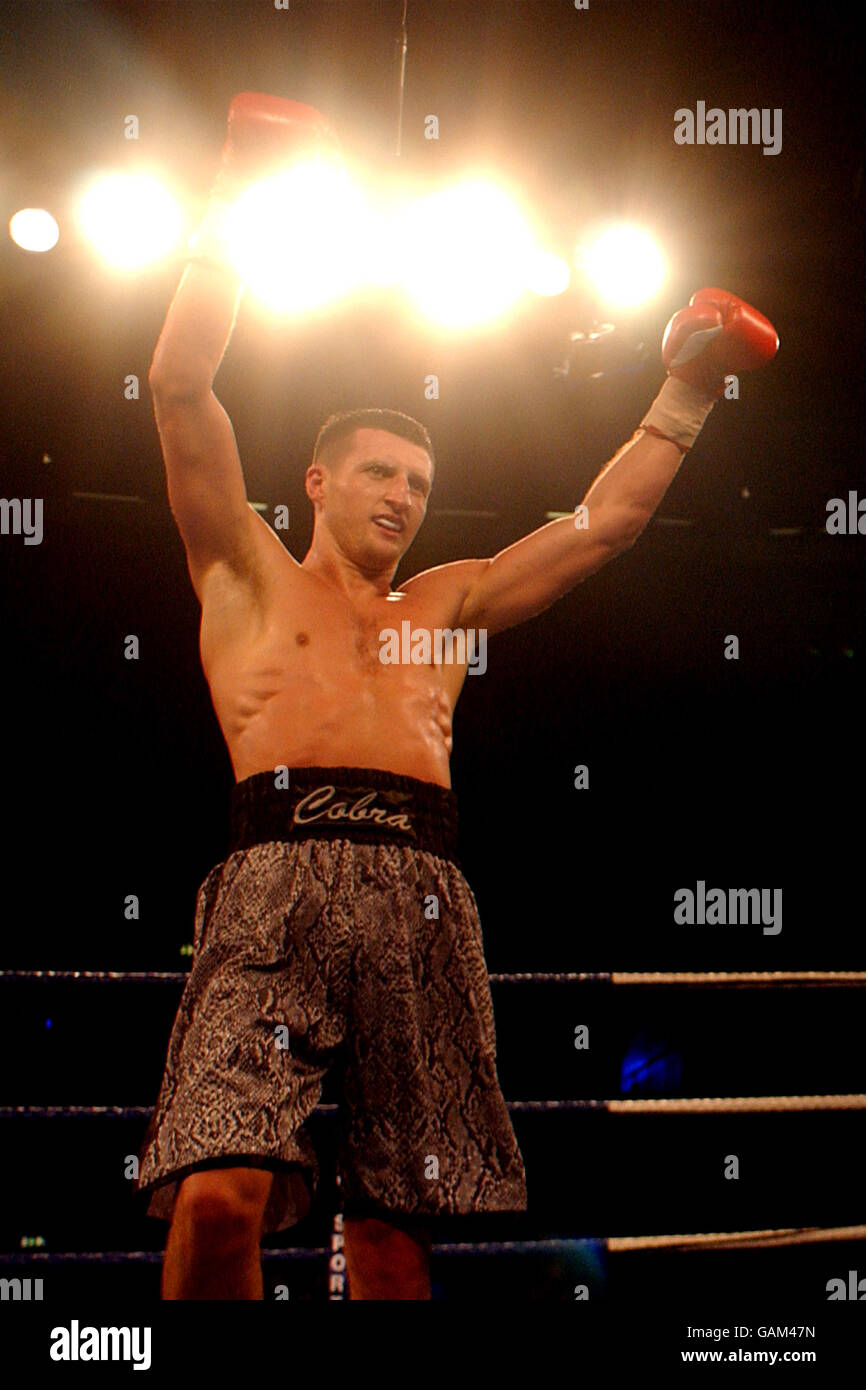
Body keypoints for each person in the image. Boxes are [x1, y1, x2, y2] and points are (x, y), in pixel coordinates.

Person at [135, 93, 779, 1300]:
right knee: (220, 1182)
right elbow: (178, 387)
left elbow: (598, 530)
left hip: (422, 889)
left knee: (398, 1214)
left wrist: (683, 391)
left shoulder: (445, 601)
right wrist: (235, 191)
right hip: (275, 868)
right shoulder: (242, 568)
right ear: (318, 480)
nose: (401, 495)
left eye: (420, 481)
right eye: (377, 472)